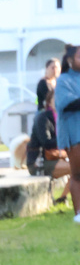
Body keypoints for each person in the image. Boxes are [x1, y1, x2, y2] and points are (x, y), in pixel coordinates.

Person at [53, 44, 80, 223]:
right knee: (78, 174)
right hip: (75, 133)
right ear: (70, 60)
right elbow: (67, 103)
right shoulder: (63, 80)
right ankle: (78, 213)